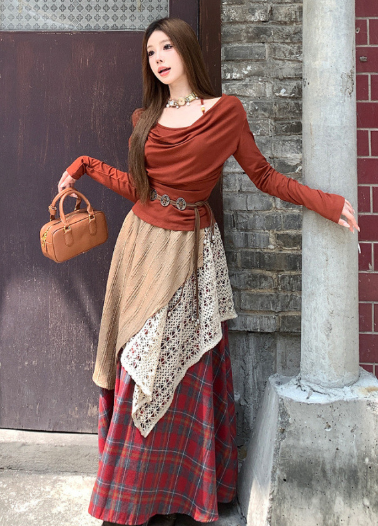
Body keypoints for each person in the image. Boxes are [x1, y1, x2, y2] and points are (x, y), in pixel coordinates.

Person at [57, 17, 359, 526]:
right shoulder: (145, 118)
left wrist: (324, 203)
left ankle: (181, 497)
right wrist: (85, 165)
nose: (158, 58)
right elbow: (140, 190)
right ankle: (126, 501)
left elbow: (264, 176)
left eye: (166, 47)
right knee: (136, 364)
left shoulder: (226, 112)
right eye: (151, 52)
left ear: (186, 50)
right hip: (140, 250)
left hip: (191, 252)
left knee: (183, 369)